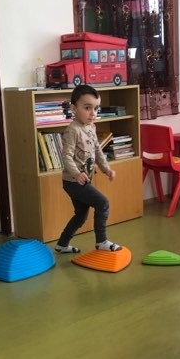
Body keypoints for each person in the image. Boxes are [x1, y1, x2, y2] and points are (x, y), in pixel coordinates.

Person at [55, 84, 122, 253]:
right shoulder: (73, 130)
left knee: (81, 215)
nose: (93, 113)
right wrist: (77, 174)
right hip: (73, 181)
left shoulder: (91, 127)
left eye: (96, 108)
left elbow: (97, 150)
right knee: (103, 202)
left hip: (82, 180)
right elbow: (66, 156)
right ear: (74, 109)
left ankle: (62, 244)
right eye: (87, 108)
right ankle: (101, 241)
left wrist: (106, 169)